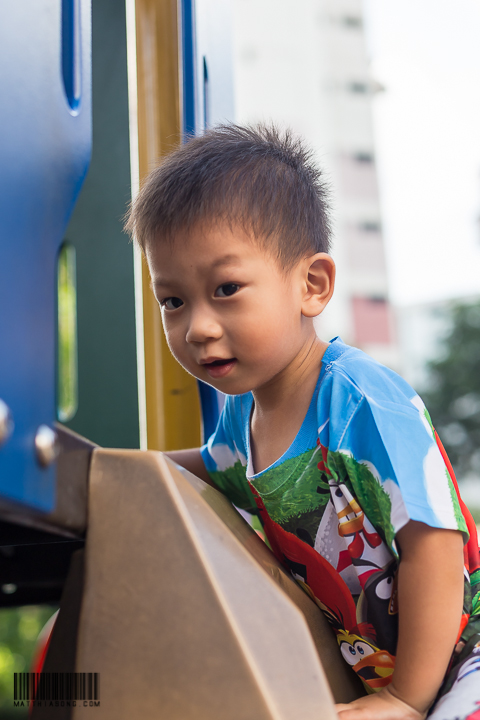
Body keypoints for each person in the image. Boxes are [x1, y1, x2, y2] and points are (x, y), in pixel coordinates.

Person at [125, 124, 480, 720]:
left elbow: (435, 547)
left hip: (462, 655)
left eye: (227, 288)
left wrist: (405, 699)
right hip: (390, 673)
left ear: (311, 285)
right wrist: (106, 470)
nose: (198, 327)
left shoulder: (359, 401)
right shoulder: (241, 419)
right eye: (173, 300)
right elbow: (205, 469)